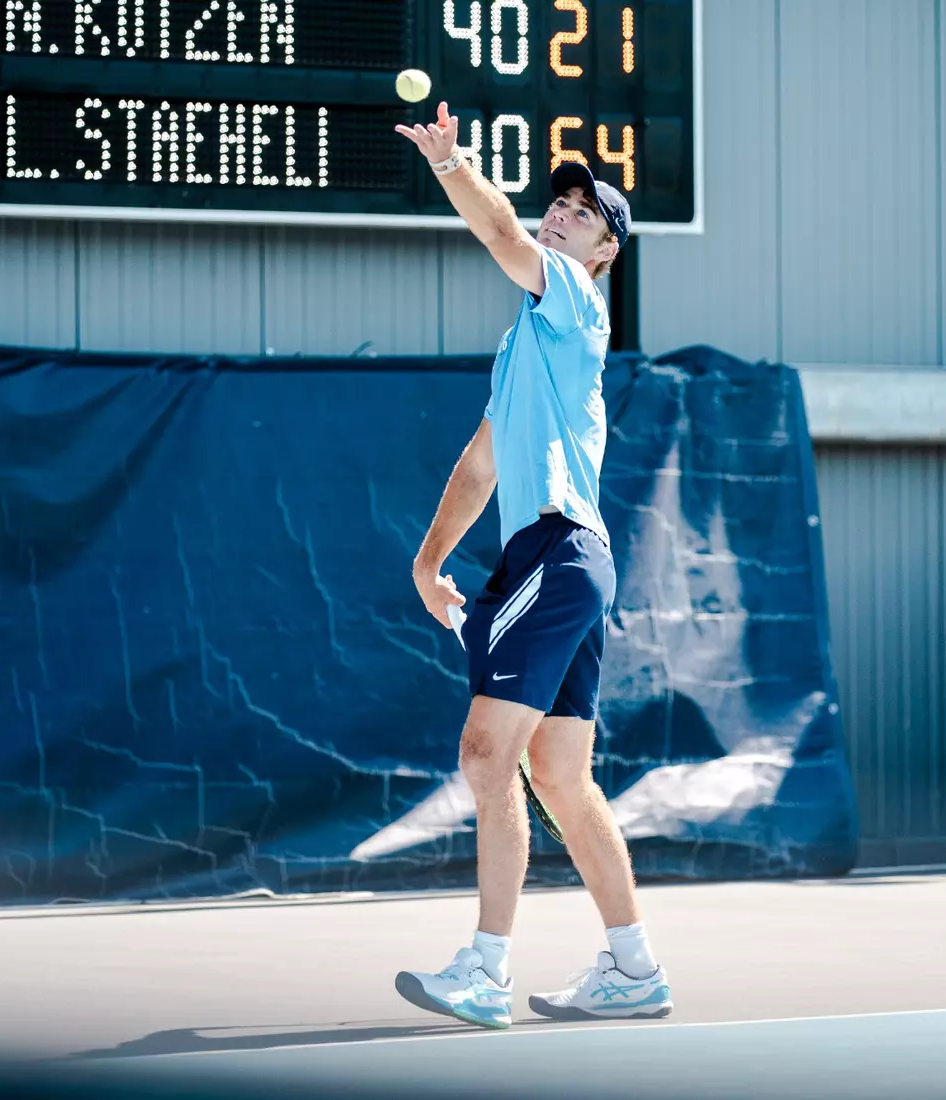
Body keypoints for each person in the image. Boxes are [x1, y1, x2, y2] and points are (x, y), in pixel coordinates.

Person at [389, 103, 672, 1030]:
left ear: (600, 254)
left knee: (486, 752)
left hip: (554, 554)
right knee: (557, 774)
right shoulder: (527, 349)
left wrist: (448, 164)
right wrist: (431, 562)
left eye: (582, 215)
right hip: (567, 561)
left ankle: (485, 969)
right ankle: (634, 967)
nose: (561, 216)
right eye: (561, 205)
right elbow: (479, 465)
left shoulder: (571, 298)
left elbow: (502, 232)